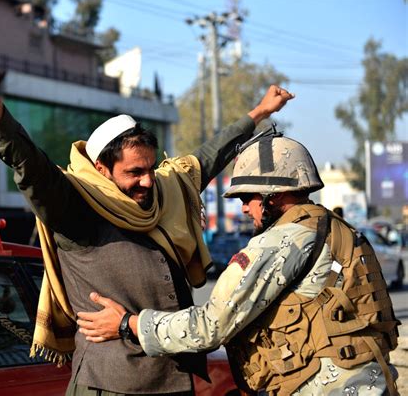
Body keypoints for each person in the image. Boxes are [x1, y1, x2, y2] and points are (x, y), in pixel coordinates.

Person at [0, 60, 294, 396]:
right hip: (111, 385)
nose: (148, 180)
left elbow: (208, 156)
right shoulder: (75, 209)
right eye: (134, 172)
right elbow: (30, 166)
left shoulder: (167, 190)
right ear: (102, 168)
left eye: (149, 167)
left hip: (176, 379)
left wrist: (259, 112)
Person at [77, 130, 400, 395]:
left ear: (272, 195)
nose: (245, 209)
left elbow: (210, 326)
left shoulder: (283, 241)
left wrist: (128, 324)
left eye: (248, 198)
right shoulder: (341, 230)